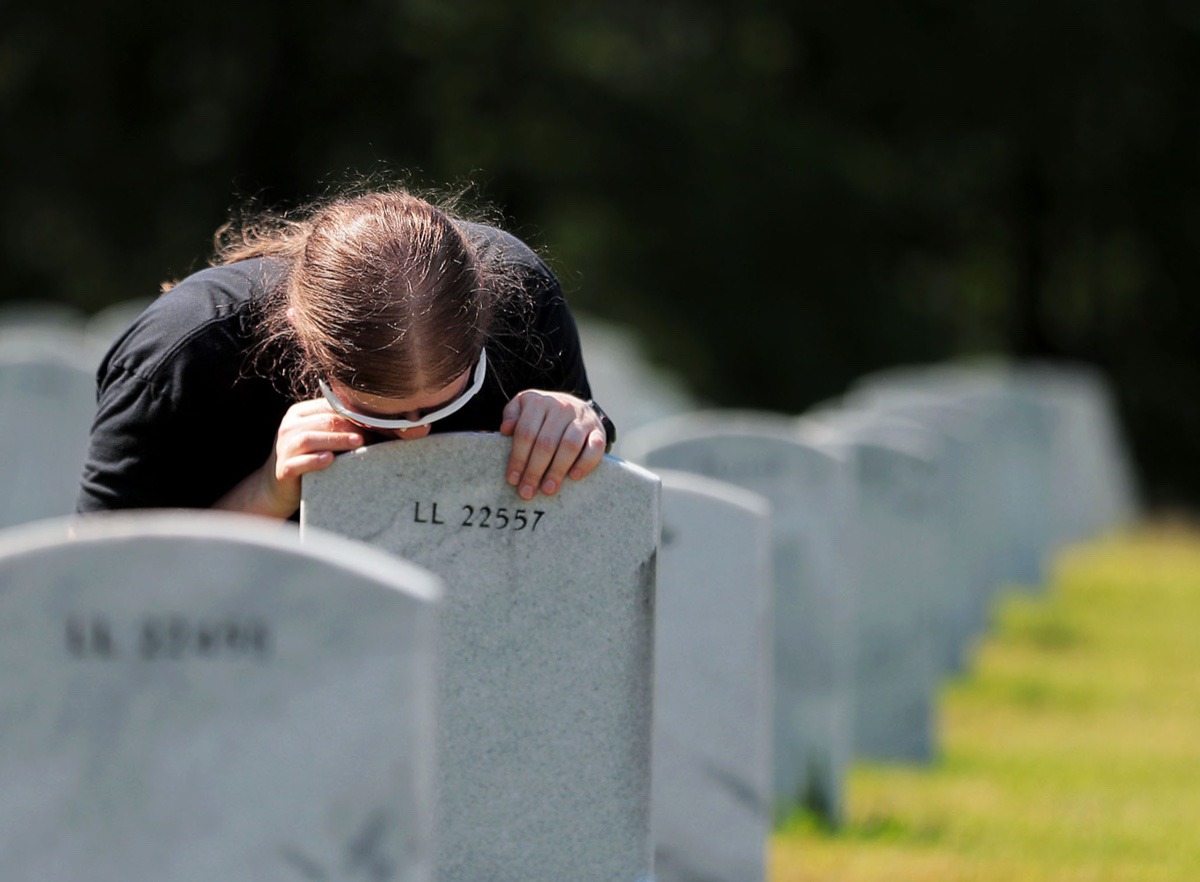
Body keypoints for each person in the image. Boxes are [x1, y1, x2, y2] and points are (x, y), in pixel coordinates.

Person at [77, 187, 615, 520]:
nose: (413, 434)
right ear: (301, 337)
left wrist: (574, 423)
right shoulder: (184, 353)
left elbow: (584, 507)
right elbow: (105, 586)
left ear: (486, 320)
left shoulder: (522, 300)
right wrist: (267, 493)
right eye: (373, 412)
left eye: (444, 406)